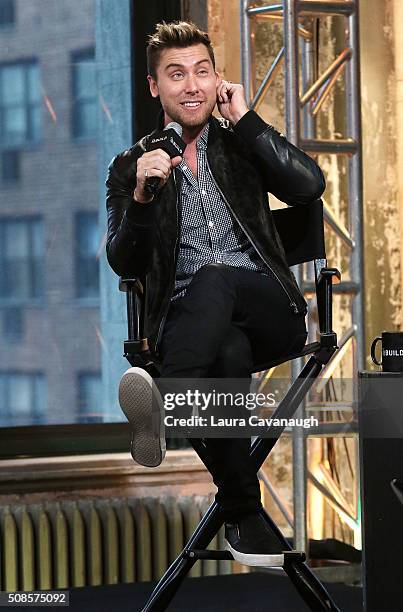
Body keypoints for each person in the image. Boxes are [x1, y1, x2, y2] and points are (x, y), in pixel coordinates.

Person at [106, 21, 325, 566]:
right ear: (155, 86)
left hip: (270, 309)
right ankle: (244, 513)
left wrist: (247, 119)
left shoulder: (241, 142)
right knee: (224, 352)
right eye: (176, 74)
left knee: (216, 275)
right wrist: (140, 197)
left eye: (203, 72)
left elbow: (308, 187)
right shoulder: (131, 166)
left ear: (217, 80)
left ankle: (168, 397)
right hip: (194, 327)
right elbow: (123, 262)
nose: (193, 85)